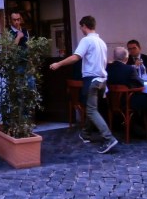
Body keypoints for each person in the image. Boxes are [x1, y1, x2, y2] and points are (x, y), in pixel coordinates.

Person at [50, 15, 118, 154]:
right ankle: (86, 133)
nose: (81, 29)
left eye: (81, 27)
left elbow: (76, 57)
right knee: (92, 108)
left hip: (91, 80)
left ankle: (109, 138)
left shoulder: (86, 40)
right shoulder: (101, 42)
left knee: (91, 110)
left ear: (84, 26)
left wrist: (59, 64)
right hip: (102, 80)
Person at [107, 47, 147, 114]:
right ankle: (145, 120)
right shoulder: (129, 69)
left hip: (110, 100)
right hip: (126, 101)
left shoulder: (107, 68)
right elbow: (140, 83)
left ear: (113, 57)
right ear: (126, 58)